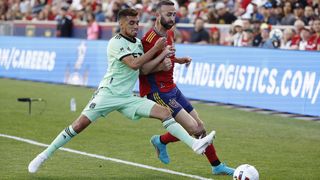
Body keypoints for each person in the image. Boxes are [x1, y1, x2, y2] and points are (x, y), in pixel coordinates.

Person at [28, 8, 216, 174]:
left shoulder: (138, 44)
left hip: (127, 97)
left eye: (137, 22)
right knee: (78, 126)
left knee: (165, 112)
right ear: (121, 23)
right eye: (131, 23)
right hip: (107, 95)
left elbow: (145, 68)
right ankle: (44, 155)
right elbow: (134, 64)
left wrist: (174, 59)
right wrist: (157, 49)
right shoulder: (115, 42)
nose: (136, 26)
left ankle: (195, 144)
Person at [139, 0, 234, 176]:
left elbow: (166, 56)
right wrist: (162, 65)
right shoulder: (149, 39)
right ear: (158, 15)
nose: (172, 17)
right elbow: (142, 69)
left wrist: (178, 60)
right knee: (195, 130)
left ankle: (216, 166)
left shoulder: (169, 32)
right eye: (168, 14)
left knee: (201, 127)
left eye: (174, 14)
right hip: (157, 91)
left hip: (171, 87)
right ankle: (160, 140)